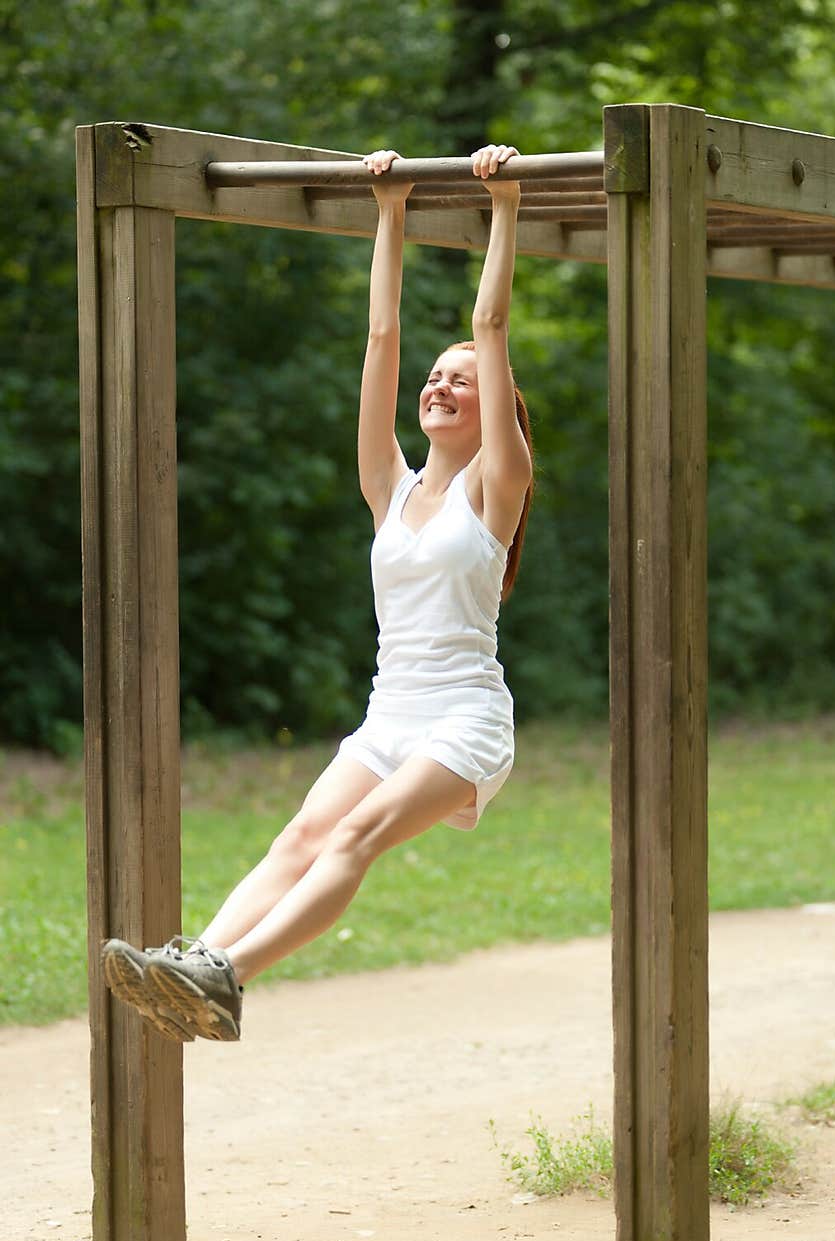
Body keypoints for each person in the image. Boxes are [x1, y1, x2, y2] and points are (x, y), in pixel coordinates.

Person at [102, 143, 535, 1043]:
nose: (440, 382)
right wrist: (391, 210)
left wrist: (507, 205)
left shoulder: (497, 487)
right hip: (391, 712)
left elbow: (490, 327)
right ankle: (187, 967)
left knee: (354, 839)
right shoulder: (391, 483)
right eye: (436, 375)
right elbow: (380, 341)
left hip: (463, 718)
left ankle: (226, 976)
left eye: (459, 378)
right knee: (299, 839)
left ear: (495, 409)